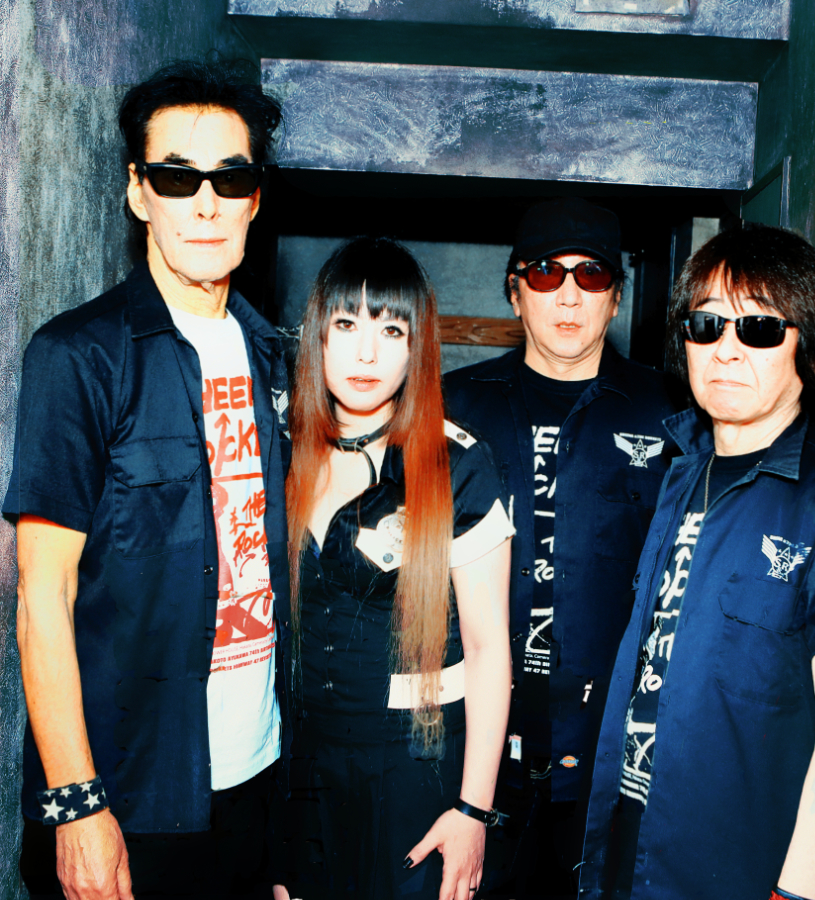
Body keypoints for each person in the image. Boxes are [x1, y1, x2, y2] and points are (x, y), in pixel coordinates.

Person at [6, 58, 291, 899]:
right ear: (138, 193)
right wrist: (76, 806)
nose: (205, 203)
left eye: (228, 179)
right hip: (128, 796)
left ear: (254, 198)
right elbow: (43, 596)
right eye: (176, 176)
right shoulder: (77, 356)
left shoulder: (275, 356)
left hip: (257, 779)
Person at [579, 223, 815, 900]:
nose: (726, 349)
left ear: (812, 352)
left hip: (744, 871)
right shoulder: (678, 470)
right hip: (631, 843)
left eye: (758, 329)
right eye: (707, 326)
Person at [443, 197, 682, 897]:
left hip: (612, 759)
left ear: (617, 297)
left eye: (592, 275)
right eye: (547, 273)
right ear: (515, 291)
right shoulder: (448, 405)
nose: (569, 296)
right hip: (472, 758)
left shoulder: (672, 414)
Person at [270, 237, 514, 900]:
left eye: (391, 330)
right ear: (318, 335)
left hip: (415, 771)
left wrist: (473, 810)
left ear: (417, 346)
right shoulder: (280, 450)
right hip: (302, 766)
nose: (366, 354)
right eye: (347, 325)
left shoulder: (457, 464)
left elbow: (489, 648)